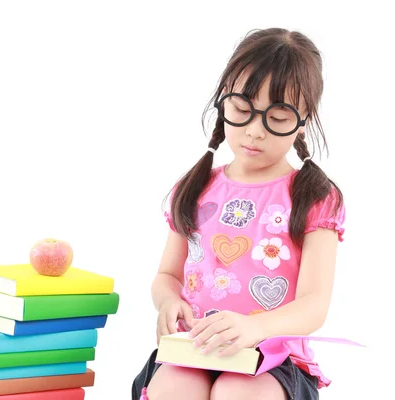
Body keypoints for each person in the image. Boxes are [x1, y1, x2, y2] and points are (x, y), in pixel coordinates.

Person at [132, 28, 346, 400]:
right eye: (242, 110)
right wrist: (169, 301)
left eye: (277, 117)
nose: (254, 131)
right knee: (173, 388)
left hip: (272, 356)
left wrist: (254, 328)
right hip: (195, 348)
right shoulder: (196, 186)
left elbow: (314, 304)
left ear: (304, 117)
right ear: (223, 104)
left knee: (238, 392)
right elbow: (167, 275)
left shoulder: (314, 196)